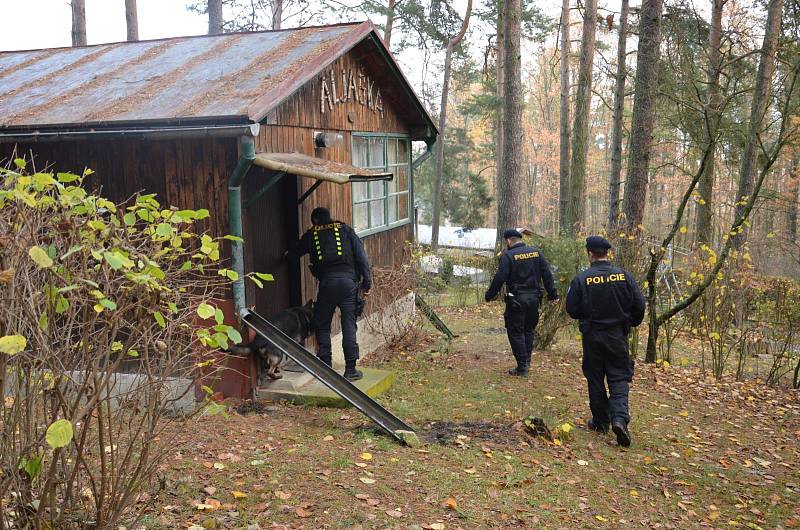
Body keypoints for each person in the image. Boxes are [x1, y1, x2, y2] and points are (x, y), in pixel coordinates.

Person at [566, 236, 645, 448]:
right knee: (619, 377)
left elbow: (572, 309)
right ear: (606, 253)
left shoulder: (582, 279)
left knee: (595, 376)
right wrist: (630, 322)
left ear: (589, 253)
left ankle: (601, 421)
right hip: (617, 335)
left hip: (592, 335)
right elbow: (639, 304)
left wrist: (586, 315)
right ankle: (619, 418)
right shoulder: (624, 276)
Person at [288, 207, 371, 381]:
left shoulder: (312, 234)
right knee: (349, 325)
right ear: (329, 217)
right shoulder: (345, 229)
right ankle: (351, 370)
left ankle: (325, 369)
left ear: (315, 221)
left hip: (327, 285)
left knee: (322, 324)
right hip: (349, 285)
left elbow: (295, 251)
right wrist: (367, 283)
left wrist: (286, 256)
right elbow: (362, 257)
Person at [485, 229, 560, 376]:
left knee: (516, 331)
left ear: (508, 241)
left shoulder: (508, 256)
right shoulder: (536, 253)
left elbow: (500, 277)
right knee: (529, 330)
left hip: (516, 299)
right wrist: (552, 295)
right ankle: (526, 362)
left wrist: (490, 295)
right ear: (520, 239)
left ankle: (522, 365)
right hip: (534, 299)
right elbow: (547, 274)